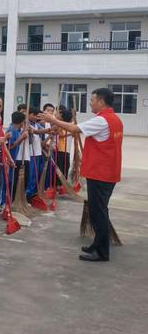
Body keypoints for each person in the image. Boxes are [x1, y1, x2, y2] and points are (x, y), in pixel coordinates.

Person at [40, 88, 123, 262]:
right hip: (108, 173)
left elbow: (73, 128)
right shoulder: (116, 120)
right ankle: (98, 244)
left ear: (101, 102)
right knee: (100, 211)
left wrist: (52, 119)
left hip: (100, 174)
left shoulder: (102, 120)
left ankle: (102, 252)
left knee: (98, 212)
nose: (90, 103)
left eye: (92, 100)